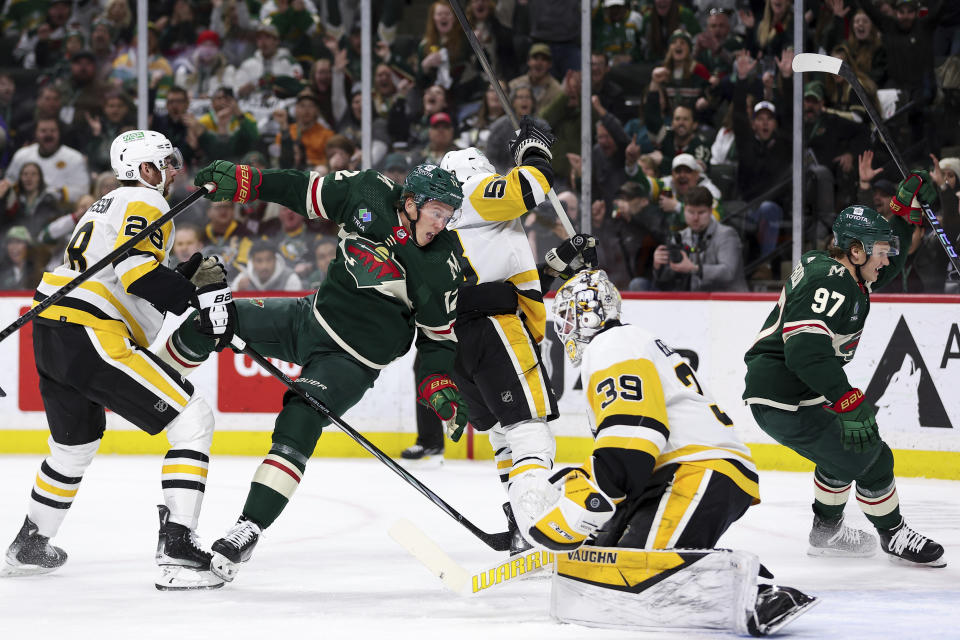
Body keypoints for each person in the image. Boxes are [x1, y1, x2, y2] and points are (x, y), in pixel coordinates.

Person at [158, 159, 468, 583]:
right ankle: (151, 379)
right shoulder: (369, 192)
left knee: (299, 420)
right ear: (411, 202)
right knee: (211, 321)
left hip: (351, 361)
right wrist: (252, 182)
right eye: (438, 212)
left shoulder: (442, 260)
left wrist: (438, 382)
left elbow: (438, 337)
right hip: (309, 317)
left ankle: (248, 527)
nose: (443, 223)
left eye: (450, 215)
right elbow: (302, 189)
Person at [0, 130, 234, 590]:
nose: (171, 172)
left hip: (54, 329)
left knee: (73, 447)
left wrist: (183, 277)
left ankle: (31, 543)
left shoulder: (106, 203)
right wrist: (197, 296)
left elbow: (123, 271)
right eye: (165, 163)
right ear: (145, 170)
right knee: (192, 419)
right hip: (92, 330)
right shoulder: (148, 203)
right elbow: (137, 275)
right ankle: (178, 551)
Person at [527, 269, 816, 637]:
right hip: (676, 472)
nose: (564, 329)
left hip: (696, 469)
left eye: (567, 317)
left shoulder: (612, 344)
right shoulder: (628, 341)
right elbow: (631, 451)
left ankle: (757, 591)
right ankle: (728, 578)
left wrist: (584, 502)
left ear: (587, 315)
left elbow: (634, 436)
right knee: (600, 563)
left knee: (634, 576)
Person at [743, 173, 946, 567]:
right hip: (784, 398)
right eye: (880, 252)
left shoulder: (841, 270)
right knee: (873, 456)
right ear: (855, 251)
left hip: (794, 393)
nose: (887, 259)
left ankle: (827, 533)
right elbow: (804, 353)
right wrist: (848, 400)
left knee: (840, 454)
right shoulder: (830, 283)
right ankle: (894, 535)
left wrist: (905, 212)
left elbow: (889, 263)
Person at [439, 119, 580, 553]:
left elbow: (501, 273)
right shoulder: (470, 193)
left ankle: (521, 520)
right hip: (496, 327)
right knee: (529, 429)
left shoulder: (458, 222)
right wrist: (533, 152)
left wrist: (557, 265)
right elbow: (528, 187)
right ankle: (538, 524)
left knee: (504, 434)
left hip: (459, 335)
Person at [653, 185, 746, 292]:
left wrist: (694, 269)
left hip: (730, 302)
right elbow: (666, 281)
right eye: (691, 212)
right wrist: (658, 266)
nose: (695, 218)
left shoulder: (727, 234)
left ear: (711, 211)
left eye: (701, 212)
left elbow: (728, 273)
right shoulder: (679, 237)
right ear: (684, 211)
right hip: (695, 302)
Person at [232, 239, 303, 291]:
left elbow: (296, 308)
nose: (264, 266)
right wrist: (238, 292)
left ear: (276, 259)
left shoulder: (290, 279)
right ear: (252, 262)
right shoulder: (242, 278)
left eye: (269, 260)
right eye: (259, 261)